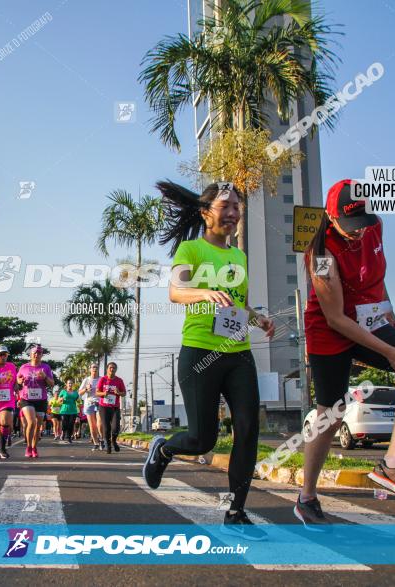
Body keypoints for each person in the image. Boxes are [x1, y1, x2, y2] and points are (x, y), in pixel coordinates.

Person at [295, 179, 395, 527]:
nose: (356, 233)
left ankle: (393, 464)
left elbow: (377, 273)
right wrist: (390, 351)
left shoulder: (374, 227)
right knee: (331, 414)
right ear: (330, 217)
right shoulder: (320, 256)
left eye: (359, 223)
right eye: (349, 227)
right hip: (331, 330)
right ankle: (307, 497)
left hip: (370, 320)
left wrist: (389, 312)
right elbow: (335, 317)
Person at [142, 181, 275, 540]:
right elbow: (175, 291)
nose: (232, 213)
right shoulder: (191, 249)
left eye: (237, 208)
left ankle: (236, 512)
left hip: (237, 353)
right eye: (225, 206)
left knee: (247, 429)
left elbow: (236, 304)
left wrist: (257, 318)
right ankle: (165, 448)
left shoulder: (239, 257)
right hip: (200, 351)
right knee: (203, 440)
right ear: (206, 213)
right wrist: (203, 291)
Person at [17, 344, 54, 458]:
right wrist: (20, 380)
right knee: (31, 422)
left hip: (41, 399)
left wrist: (45, 377)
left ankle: (34, 447)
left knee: (38, 426)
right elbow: (17, 380)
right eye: (34, 353)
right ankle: (28, 447)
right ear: (30, 354)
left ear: (42, 355)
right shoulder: (24, 367)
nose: (36, 355)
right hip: (26, 399)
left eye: (39, 353)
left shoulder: (46, 367)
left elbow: (52, 384)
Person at [96, 362, 126, 454]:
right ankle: (108, 445)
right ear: (107, 369)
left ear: (116, 370)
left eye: (113, 368)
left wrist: (118, 393)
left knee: (115, 427)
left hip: (115, 407)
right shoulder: (103, 379)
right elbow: (97, 392)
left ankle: (113, 441)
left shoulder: (119, 380)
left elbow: (124, 393)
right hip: (104, 407)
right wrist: (103, 394)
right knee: (106, 428)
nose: (111, 369)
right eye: (110, 368)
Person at [78, 364, 102, 450]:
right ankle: (96, 443)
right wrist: (86, 389)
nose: (94, 369)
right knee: (92, 426)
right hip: (89, 403)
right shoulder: (86, 380)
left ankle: (102, 439)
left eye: (96, 367)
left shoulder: (101, 379)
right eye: (93, 367)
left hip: (99, 403)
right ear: (90, 369)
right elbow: (79, 392)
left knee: (99, 424)